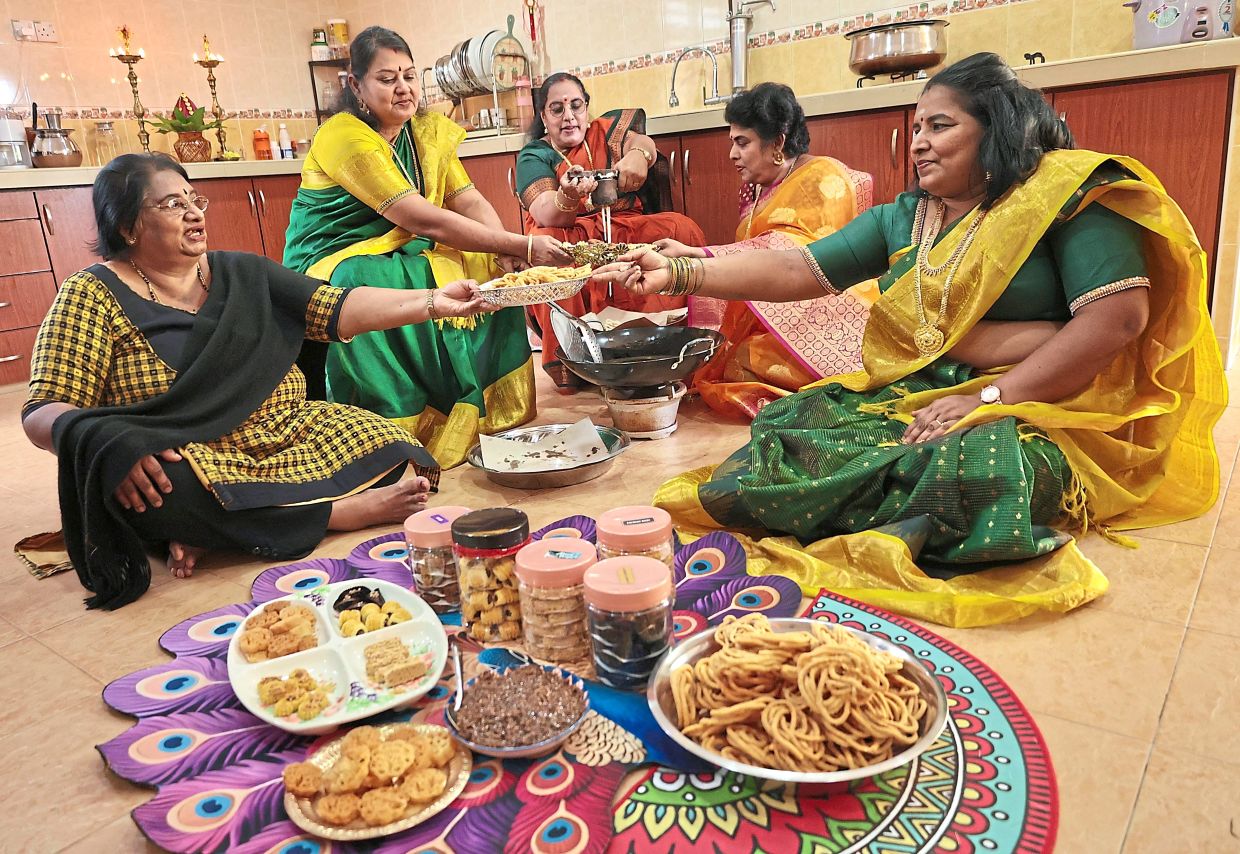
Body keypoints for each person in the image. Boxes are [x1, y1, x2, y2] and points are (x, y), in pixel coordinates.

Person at [594, 53, 1226, 627]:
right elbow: (799, 269)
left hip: (1050, 403)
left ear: (996, 127)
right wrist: (685, 267)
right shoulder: (909, 216)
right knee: (792, 426)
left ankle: (912, 510)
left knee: (973, 471)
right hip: (928, 384)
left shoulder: (1067, 194)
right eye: (917, 127)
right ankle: (892, 506)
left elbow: (1118, 318)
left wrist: (987, 398)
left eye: (940, 127)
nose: (919, 144)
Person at [22, 153, 499, 610]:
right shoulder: (91, 294)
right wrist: (107, 442)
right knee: (160, 488)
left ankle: (222, 529)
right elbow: (43, 410)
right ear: (127, 226)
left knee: (393, 445)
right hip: (190, 455)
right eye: (172, 205)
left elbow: (337, 308)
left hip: (282, 432)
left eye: (194, 200)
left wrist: (436, 300)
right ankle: (334, 514)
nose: (193, 214)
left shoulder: (240, 272)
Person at [284, 27, 571, 465]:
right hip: (336, 255)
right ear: (356, 86)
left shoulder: (426, 132)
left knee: (483, 264)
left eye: (410, 75)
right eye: (387, 78)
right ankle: (398, 424)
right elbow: (420, 218)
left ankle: (484, 411)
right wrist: (525, 244)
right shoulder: (342, 135)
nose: (403, 88)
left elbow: (468, 200)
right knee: (361, 279)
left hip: (404, 244)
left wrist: (505, 252)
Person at [651, 82, 878, 418]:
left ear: (777, 143)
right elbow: (753, 250)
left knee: (744, 363)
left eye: (742, 142)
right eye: (732, 142)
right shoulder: (764, 187)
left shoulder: (823, 178)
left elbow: (795, 254)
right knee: (718, 359)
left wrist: (701, 255)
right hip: (773, 307)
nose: (732, 154)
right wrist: (693, 253)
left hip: (824, 312)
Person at [516, 71, 706, 389]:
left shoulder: (607, 132)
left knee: (680, 229)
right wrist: (568, 196)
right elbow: (545, 212)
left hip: (623, 223)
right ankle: (576, 361)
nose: (569, 116)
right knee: (545, 247)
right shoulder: (536, 155)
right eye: (557, 109)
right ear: (543, 116)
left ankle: (665, 345)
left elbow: (641, 142)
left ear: (587, 107)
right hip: (569, 231)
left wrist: (638, 155)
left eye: (576, 105)